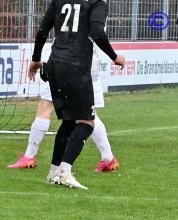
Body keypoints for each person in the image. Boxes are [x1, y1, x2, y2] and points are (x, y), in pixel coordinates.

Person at [27, 0, 125, 189]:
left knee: (69, 122)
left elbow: (42, 30)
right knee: (87, 122)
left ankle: (53, 173)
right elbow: (97, 33)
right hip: (75, 66)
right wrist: (115, 56)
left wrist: (35, 59)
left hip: (54, 63)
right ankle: (65, 170)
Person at [7, 45, 120, 173]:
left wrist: (42, 60)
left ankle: (31, 157)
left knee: (49, 107)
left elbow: (91, 35)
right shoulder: (90, 26)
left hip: (68, 67)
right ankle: (108, 158)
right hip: (82, 66)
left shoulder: (79, 29)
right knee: (88, 114)